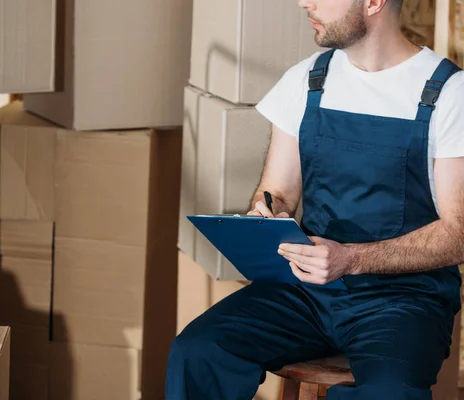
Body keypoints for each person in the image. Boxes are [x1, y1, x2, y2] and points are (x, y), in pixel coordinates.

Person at [165, 0, 464, 398]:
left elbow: (458, 234)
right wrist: (268, 212)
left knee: (388, 392)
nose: (306, 2)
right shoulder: (306, 80)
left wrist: (351, 259)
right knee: (198, 351)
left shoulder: (449, 94)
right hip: (305, 290)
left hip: (403, 301)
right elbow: (278, 191)